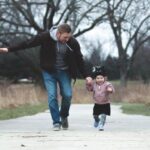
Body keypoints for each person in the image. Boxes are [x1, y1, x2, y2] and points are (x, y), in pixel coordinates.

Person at [0, 23, 92, 131]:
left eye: (68, 37)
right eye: (65, 37)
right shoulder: (45, 37)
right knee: (52, 96)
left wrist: (87, 76)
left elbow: (79, 59)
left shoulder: (72, 42)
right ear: (58, 33)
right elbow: (28, 43)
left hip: (64, 72)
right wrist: (9, 49)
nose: (67, 39)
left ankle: (63, 115)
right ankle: (56, 122)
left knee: (67, 95)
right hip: (49, 72)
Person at [86, 66, 115, 131]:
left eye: (101, 78)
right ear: (95, 79)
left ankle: (101, 125)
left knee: (103, 115)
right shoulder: (94, 85)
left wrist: (110, 89)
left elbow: (111, 89)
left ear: (104, 78)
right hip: (97, 103)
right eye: (98, 78)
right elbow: (89, 89)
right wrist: (88, 84)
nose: (99, 79)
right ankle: (97, 120)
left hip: (105, 103)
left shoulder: (107, 84)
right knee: (95, 115)